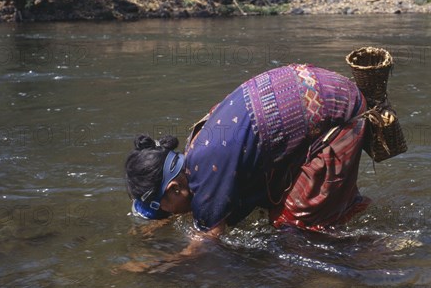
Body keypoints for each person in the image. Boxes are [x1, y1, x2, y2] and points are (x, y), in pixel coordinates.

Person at [125, 63, 371, 245]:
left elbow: (208, 242)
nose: (169, 214)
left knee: (296, 233)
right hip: (319, 86)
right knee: (266, 195)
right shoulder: (197, 147)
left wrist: (160, 267)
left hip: (340, 109)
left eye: (165, 209)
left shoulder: (209, 174)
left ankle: (375, 250)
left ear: (174, 189)